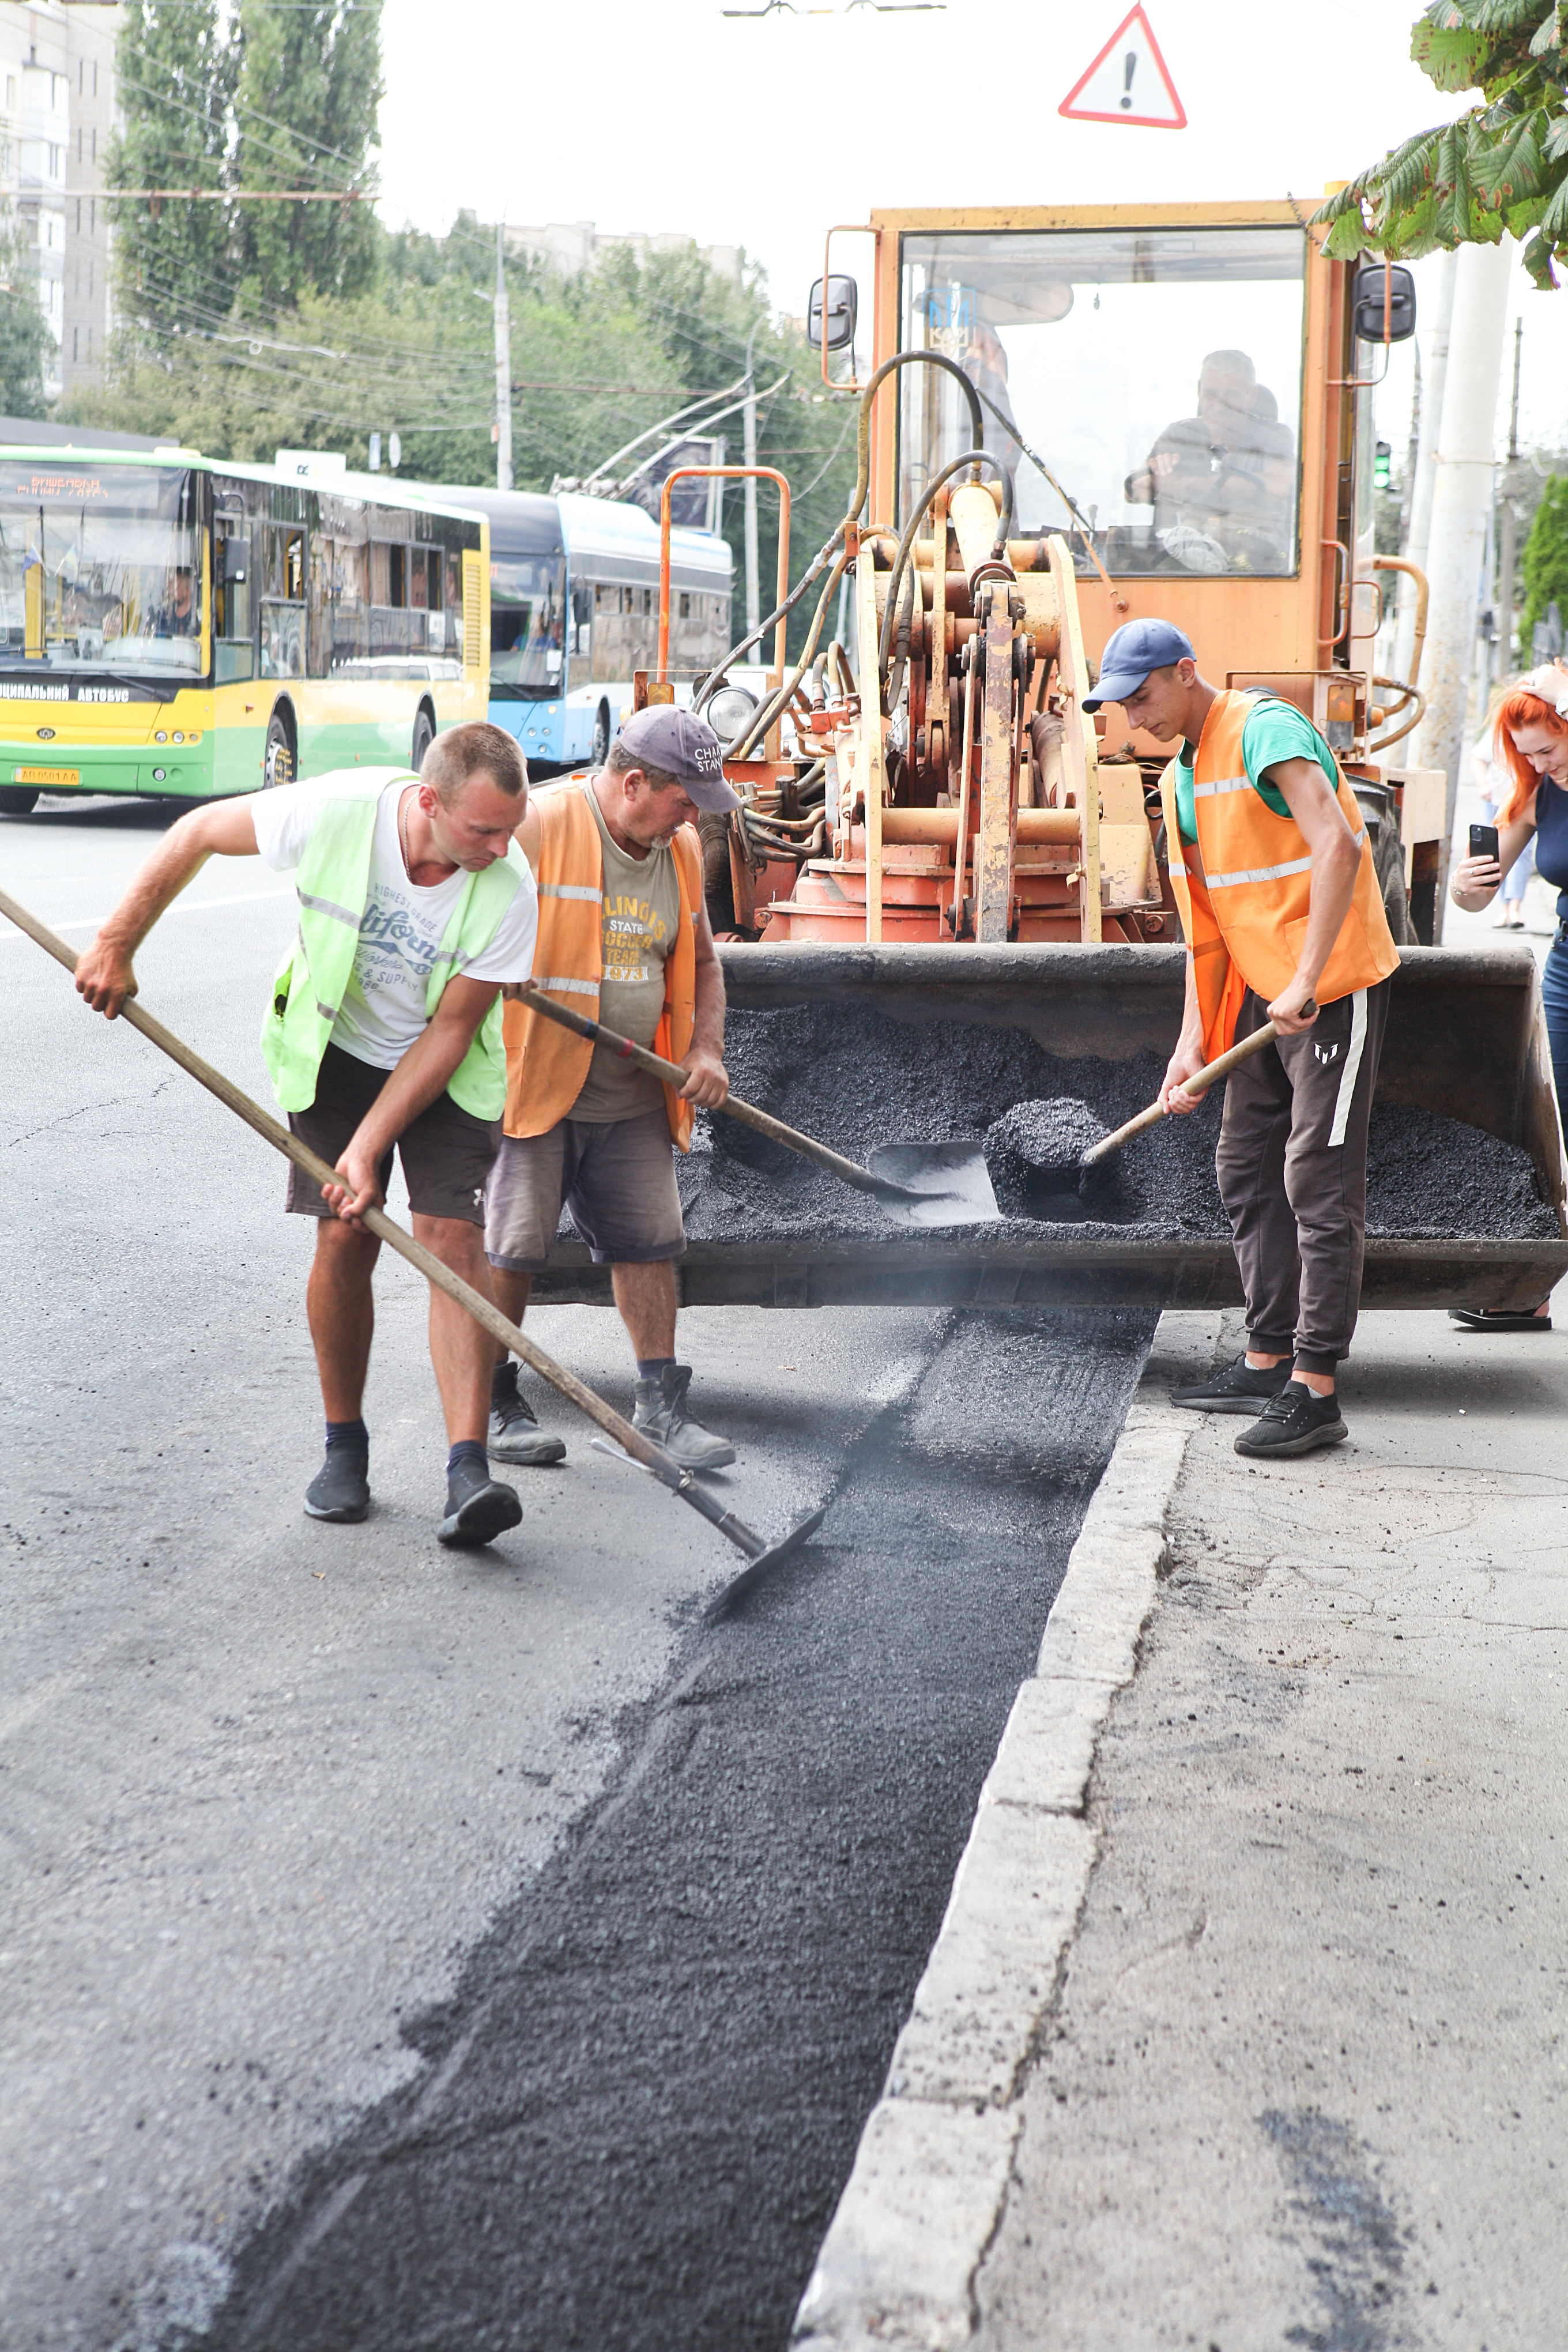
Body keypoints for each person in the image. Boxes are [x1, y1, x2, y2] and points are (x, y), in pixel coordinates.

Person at [73, 723, 541, 1544]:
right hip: (336, 1049)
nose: (503, 848)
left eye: (512, 828)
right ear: (429, 803)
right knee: (343, 1237)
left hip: (444, 1066)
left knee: (451, 1242)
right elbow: (195, 833)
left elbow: (450, 1034)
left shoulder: (509, 885)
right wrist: (117, 941)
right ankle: (344, 1448)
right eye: (484, 830)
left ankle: (468, 1470)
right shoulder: (337, 811)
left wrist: (369, 1147)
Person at [1080, 618, 1400, 1457]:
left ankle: (1316, 1387)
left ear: (1187, 673)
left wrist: (1305, 979)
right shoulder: (1182, 775)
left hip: (1330, 987)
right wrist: (1192, 1042)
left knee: (1317, 1180)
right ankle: (1266, 1357)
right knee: (1243, 1165)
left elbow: (1338, 843)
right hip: (1265, 991)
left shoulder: (1263, 730)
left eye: (1143, 696)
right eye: (1122, 704)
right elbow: (1209, 929)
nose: (1134, 716)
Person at [484, 705, 738, 1471]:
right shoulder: (540, 827)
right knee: (514, 1249)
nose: (692, 815)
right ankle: (491, 1402)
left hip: (632, 1092)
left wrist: (707, 1050)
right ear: (633, 784)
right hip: (536, 1081)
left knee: (651, 1245)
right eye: (683, 799)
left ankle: (659, 1409)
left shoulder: (682, 848)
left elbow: (703, 961)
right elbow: (465, 922)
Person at [1446, 664, 1568, 1333]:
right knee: (1552, 1129)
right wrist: (1469, 882)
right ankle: (1528, 1290)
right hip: (1566, 965)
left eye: (1547, 748)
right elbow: (1474, 895)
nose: (1539, 764)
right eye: (1525, 755)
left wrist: (1560, 686)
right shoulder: (1536, 794)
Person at [1125, 350, 1295, 572]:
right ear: (1199, 392)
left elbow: (1282, 486)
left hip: (1255, 568)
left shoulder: (1274, 436)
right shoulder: (1179, 435)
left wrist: (1192, 483)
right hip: (1177, 568)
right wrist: (1155, 477)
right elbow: (1133, 491)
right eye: (1210, 394)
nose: (1219, 404)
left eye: (1231, 395)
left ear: (1251, 396)